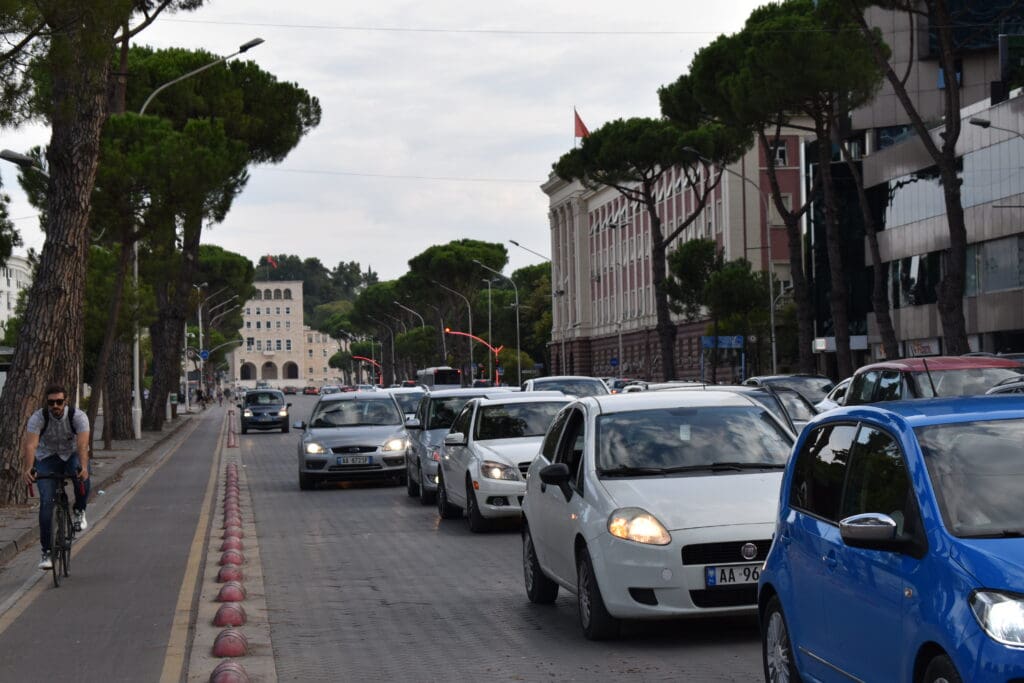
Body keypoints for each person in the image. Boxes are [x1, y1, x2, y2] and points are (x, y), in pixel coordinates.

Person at [22, 384, 91, 570]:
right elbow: (31, 446)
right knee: (46, 503)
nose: (55, 406)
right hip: (47, 458)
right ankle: (46, 552)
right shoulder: (38, 418)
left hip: (71, 455)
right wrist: (29, 468)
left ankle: (79, 510)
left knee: (82, 475)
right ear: (47, 403)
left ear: (65, 401)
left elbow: (83, 445)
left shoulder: (78, 417)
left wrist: (83, 467)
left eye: (59, 402)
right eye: (51, 402)